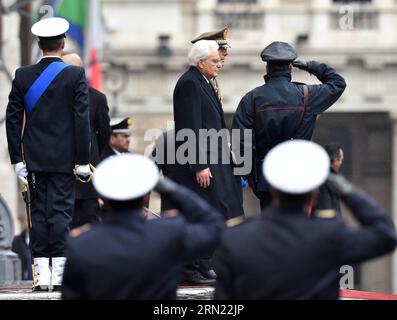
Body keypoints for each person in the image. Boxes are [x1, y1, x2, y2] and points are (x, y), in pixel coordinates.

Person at [214, 140, 397, 299]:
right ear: (314, 195)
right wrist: (344, 188)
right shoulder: (329, 235)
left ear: (272, 189)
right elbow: (386, 234)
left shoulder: (236, 238)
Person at [61, 154, 223, 299]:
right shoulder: (168, 233)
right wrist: (169, 189)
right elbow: (215, 226)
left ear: (102, 198)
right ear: (145, 198)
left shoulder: (82, 245)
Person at [5, 17, 91, 292]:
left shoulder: (22, 75)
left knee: (39, 216)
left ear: (39, 44)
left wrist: (17, 159)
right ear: (63, 43)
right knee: (62, 215)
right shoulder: (75, 75)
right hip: (65, 161)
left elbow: (12, 120)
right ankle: (60, 275)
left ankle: (42, 276)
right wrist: (82, 160)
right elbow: (81, 121)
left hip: (35, 159)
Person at [232, 41, 347, 210]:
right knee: (299, 229)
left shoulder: (251, 99)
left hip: (267, 178)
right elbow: (338, 83)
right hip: (299, 175)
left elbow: (240, 143)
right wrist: (311, 66)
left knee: (272, 231)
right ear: (291, 68)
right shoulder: (308, 95)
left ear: (267, 69)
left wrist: (253, 180)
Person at [173, 40, 244, 284]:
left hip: (212, 158)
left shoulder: (202, 81)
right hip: (201, 163)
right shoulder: (190, 84)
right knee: (201, 214)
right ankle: (191, 268)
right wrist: (199, 164)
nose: (219, 65)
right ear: (201, 62)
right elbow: (189, 127)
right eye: (215, 61)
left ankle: (203, 263)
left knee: (214, 209)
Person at [62, 53, 111, 228]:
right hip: (61, 178)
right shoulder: (54, 97)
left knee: (89, 226)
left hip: (87, 179)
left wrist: (91, 154)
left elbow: (104, 134)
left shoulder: (97, 98)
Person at [191, 27, 230, 102]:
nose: (226, 53)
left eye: (225, 49)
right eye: (221, 49)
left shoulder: (211, 79)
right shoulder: (193, 82)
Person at [313, 142, 344, 217]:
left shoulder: (330, 179)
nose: (341, 163)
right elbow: (326, 211)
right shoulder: (324, 181)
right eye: (339, 160)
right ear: (333, 159)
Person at [12, 215, 32, 280]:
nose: (29, 223)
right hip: (21, 279)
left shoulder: (41, 240)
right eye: (26, 220)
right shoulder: (16, 241)